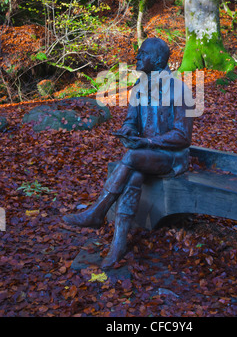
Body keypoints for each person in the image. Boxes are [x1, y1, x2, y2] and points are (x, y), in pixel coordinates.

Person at [63, 37, 194, 268]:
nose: (137, 57)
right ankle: (117, 245)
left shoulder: (180, 90)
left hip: (172, 158)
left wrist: (149, 141)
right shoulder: (139, 89)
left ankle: (98, 211)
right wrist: (127, 131)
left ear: (156, 59)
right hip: (145, 153)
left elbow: (183, 136)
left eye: (142, 53)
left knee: (132, 158)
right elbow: (131, 121)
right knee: (133, 175)